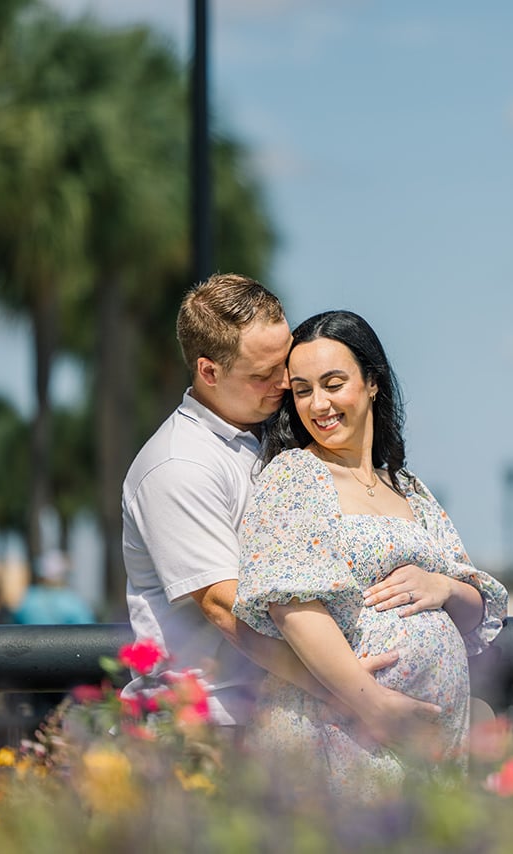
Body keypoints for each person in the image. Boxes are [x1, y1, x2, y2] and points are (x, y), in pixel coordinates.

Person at [123, 273, 438, 736]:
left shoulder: (272, 438)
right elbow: (223, 605)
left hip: (278, 720)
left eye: (284, 361)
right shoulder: (178, 465)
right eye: (263, 374)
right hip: (207, 726)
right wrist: (358, 698)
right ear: (209, 372)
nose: (287, 381)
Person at [233, 310, 508, 799]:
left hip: (423, 750)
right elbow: (293, 608)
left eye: (334, 384)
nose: (319, 404)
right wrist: (375, 705)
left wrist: (443, 587)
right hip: (340, 731)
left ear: (373, 383)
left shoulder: (409, 489)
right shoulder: (294, 476)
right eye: (302, 390)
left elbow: (476, 614)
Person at [13, 550, 95, 625]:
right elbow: (87, 626)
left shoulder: (29, 597)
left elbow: (17, 621)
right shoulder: (71, 600)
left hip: (30, 640)